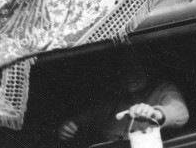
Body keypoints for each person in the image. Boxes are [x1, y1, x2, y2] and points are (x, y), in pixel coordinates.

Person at [57, 52, 189, 144]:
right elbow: (82, 119)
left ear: (149, 68)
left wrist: (156, 114)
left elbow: (180, 111)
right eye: (124, 68)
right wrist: (69, 127)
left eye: (138, 67)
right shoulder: (112, 98)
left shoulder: (163, 89)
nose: (130, 74)